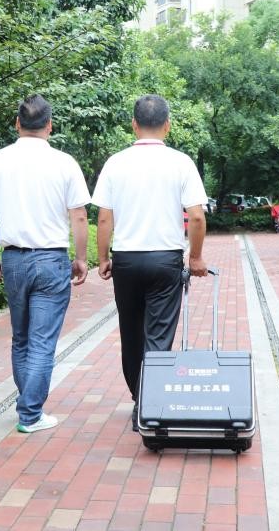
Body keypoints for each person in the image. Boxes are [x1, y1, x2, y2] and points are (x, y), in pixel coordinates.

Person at [0, 94, 90, 434]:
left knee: (20, 337)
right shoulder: (65, 163)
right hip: (51, 259)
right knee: (41, 341)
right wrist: (81, 259)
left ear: (17, 124)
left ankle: (29, 405)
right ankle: (31, 414)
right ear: (50, 126)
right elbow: (79, 216)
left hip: (13, 260)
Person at [91, 94, 209, 432]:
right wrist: (196, 256)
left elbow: (103, 219)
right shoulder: (181, 162)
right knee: (158, 335)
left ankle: (138, 397)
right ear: (168, 125)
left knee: (131, 332)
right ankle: (150, 404)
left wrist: (102, 259)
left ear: (134, 124)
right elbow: (197, 217)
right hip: (164, 260)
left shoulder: (116, 162)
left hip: (126, 260)